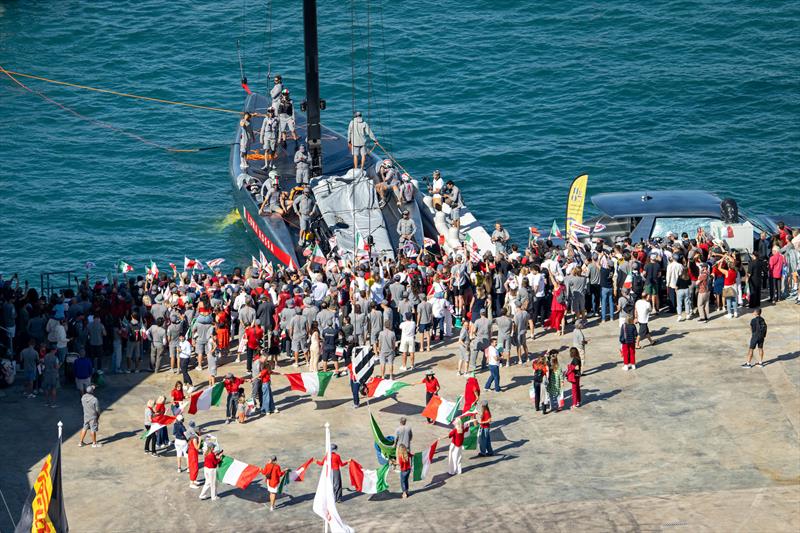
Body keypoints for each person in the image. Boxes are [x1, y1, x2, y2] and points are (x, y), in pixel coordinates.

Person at [187, 423, 202, 488]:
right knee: (194, 467)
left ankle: (194, 480)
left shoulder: (193, 436)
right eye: (199, 431)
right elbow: (197, 448)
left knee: (194, 466)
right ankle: (192, 483)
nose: (200, 431)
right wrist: (200, 441)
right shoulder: (195, 438)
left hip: (192, 453)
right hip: (193, 453)